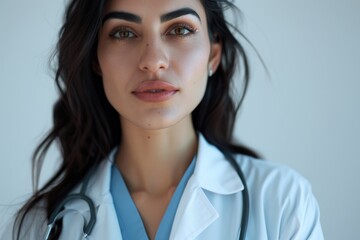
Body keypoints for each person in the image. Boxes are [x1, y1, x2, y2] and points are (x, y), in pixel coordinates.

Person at [3, 0, 323, 239]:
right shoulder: (44, 225)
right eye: (124, 32)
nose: (153, 61)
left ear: (213, 54)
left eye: (180, 29)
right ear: (96, 59)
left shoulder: (282, 201)